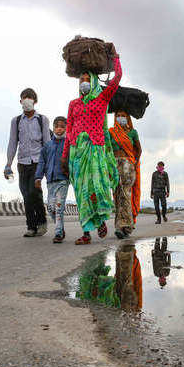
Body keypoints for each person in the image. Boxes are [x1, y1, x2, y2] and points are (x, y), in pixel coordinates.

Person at [61, 46, 122, 245]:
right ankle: (86, 233)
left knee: (97, 188)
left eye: (87, 80)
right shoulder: (73, 104)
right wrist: (65, 155)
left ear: (94, 82)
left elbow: (117, 78)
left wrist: (115, 57)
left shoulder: (102, 99)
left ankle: (102, 220)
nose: (84, 83)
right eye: (81, 80)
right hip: (76, 154)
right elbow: (69, 130)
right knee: (81, 193)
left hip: (95, 150)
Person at [5, 88, 50, 237]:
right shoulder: (16, 121)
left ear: (35, 101)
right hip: (22, 163)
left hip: (38, 161)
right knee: (26, 195)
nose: (27, 100)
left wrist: (48, 165)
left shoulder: (42, 119)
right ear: (20, 101)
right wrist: (8, 164)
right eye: (24, 97)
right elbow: (12, 143)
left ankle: (42, 221)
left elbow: (47, 143)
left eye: (30, 98)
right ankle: (31, 226)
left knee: (34, 192)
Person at [35, 116, 69, 244]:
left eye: (62, 126)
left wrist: (69, 172)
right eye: (56, 126)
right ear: (53, 128)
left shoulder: (68, 144)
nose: (59, 129)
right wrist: (38, 177)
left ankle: (58, 233)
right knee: (51, 208)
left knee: (59, 207)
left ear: (66, 128)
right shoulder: (47, 146)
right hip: (50, 182)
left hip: (63, 180)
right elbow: (41, 162)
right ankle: (61, 228)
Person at [109, 111, 141, 239]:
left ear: (128, 118)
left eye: (123, 115)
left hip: (128, 165)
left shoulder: (133, 132)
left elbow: (139, 149)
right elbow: (107, 148)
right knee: (117, 195)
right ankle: (125, 227)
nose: (120, 118)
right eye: (118, 115)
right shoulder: (110, 132)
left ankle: (122, 226)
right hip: (114, 165)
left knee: (125, 194)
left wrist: (134, 162)